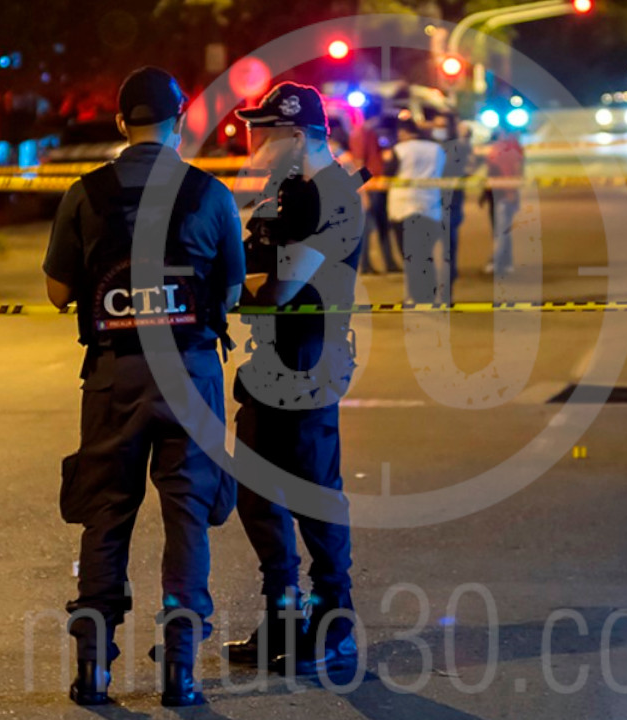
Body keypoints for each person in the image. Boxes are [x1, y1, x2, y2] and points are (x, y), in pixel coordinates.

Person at [43, 66, 245, 708]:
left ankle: (93, 667)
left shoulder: (86, 194)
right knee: (188, 516)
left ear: (119, 122)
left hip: (114, 377)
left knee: (105, 513)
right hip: (190, 374)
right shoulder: (211, 194)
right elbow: (231, 293)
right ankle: (180, 669)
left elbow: (57, 292)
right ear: (180, 120)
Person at [223, 82, 368, 677]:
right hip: (271, 359)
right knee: (257, 493)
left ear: (299, 135)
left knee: (312, 492)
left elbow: (279, 288)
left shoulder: (332, 197)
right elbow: (253, 267)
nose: (254, 144)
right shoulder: (288, 193)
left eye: (265, 133)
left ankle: (335, 619)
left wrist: (226, 286)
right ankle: (284, 614)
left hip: (310, 358)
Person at [386, 119, 446, 303]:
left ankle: (415, 296)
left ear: (404, 132)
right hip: (431, 206)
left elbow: (388, 173)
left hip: (403, 207)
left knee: (410, 255)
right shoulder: (437, 149)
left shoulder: (400, 149)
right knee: (425, 253)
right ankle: (429, 294)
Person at [433, 115, 474, 301]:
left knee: (446, 249)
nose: (438, 129)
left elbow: (468, 170)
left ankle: (445, 291)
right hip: (435, 204)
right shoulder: (435, 147)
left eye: (441, 125)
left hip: (448, 204)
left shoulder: (456, 147)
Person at [352, 116, 398, 273]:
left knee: (382, 226)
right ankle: (366, 265)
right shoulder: (361, 134)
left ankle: (388, 263)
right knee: (368, 228)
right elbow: (359, 162)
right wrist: (363, 192)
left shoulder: (369, 133)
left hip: (377, 186)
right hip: (371, 188)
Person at [485, 126, 524, 277]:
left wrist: (511, 192)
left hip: (503, 195)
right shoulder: (507, 148)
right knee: (504, 231)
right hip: (499, 194)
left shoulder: (507, 149)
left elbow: (514, 171)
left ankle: (496, 262)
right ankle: (507, 262)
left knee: (501, 232)